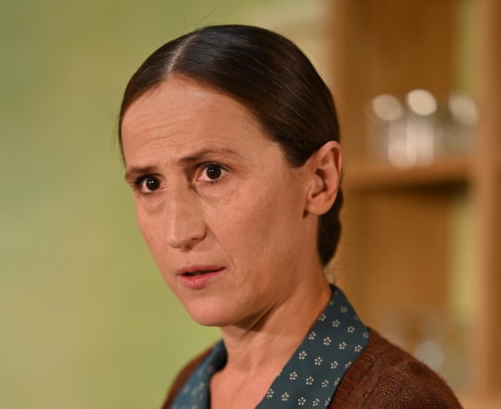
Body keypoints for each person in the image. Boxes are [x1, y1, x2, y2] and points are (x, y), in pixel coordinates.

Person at [118, 25, 461, 409]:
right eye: (150, 183)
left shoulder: (399, 402)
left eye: (213, 172)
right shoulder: (190, 386)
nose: (178, 232)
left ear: (319, 181)